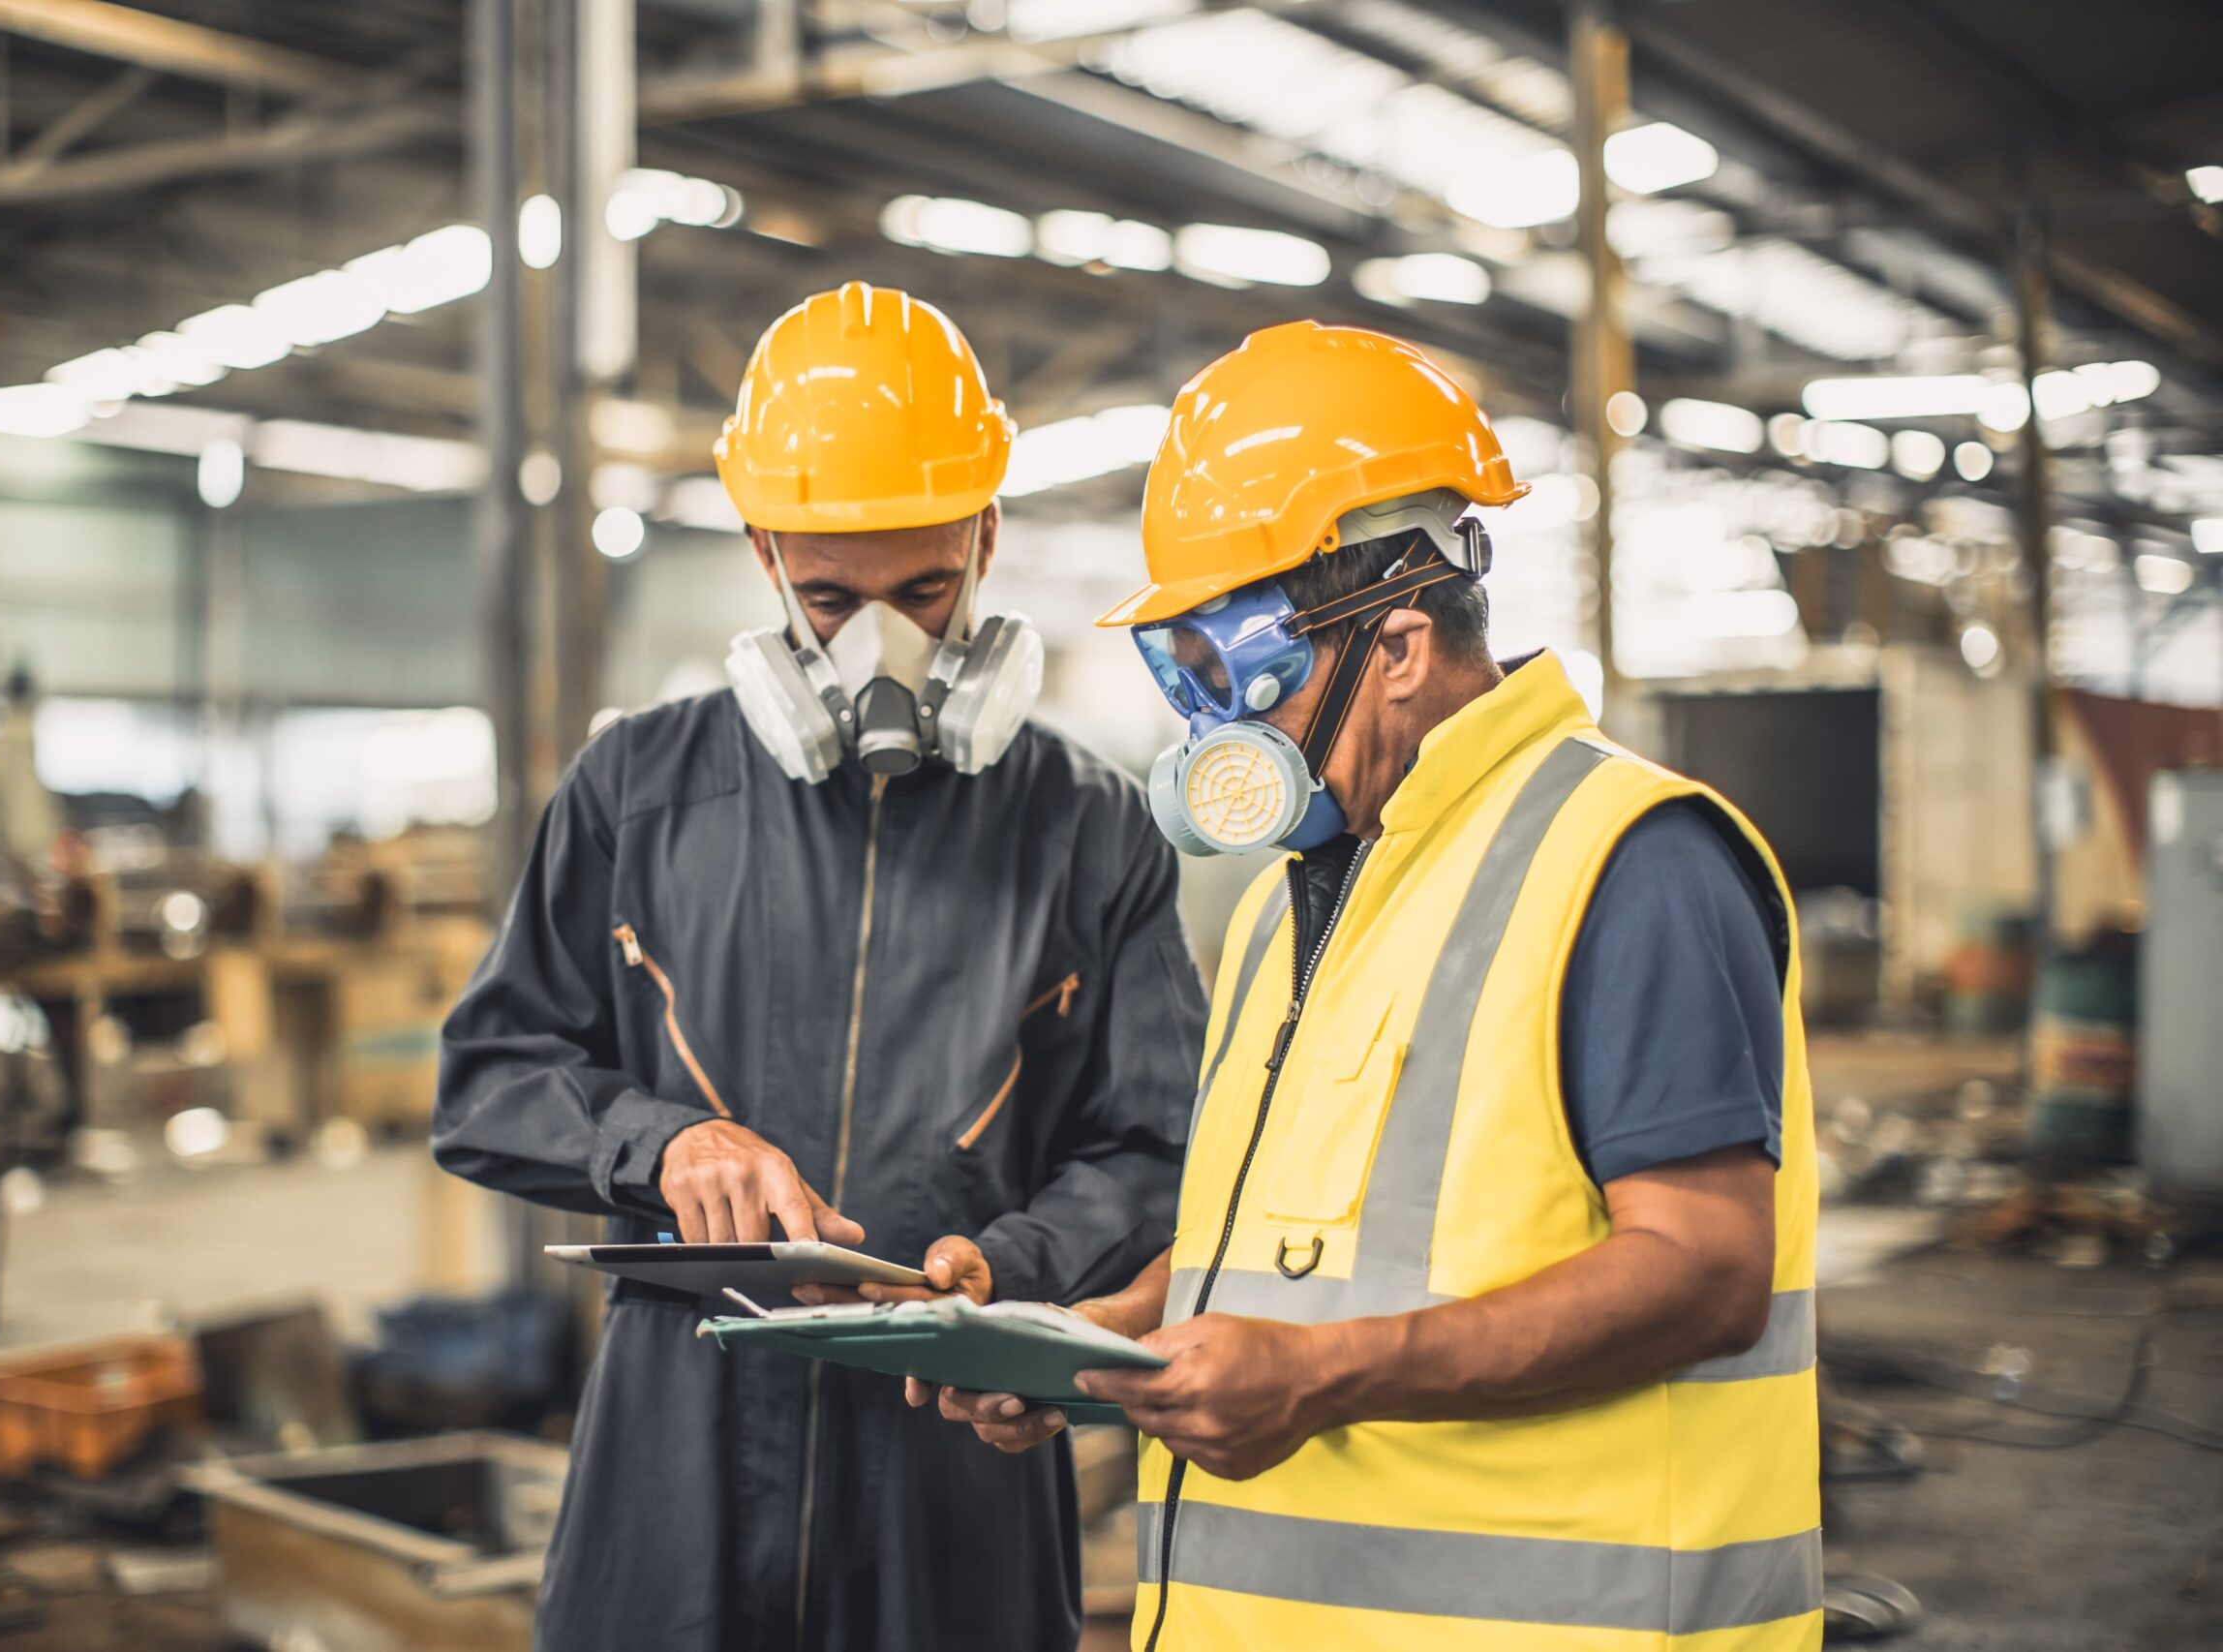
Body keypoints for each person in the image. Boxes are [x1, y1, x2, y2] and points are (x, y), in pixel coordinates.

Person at [922, 321, 1822, 1650]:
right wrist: (1108, 1339)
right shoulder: (1307, 898)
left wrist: (1321, 1376)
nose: (1211, 731)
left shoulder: (1630, 862)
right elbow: (1294, 1248)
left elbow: (1705, 1271)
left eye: (1230, 673)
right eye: (1182, 678)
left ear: (1397, 642)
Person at [433, 281, 1206, 1652]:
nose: (881, 647)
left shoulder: (1092, 830)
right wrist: (662, 1145)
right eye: (830, 595)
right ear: (761, 548)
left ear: (987, 532)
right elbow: (491, 1077)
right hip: (675, 1464)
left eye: (926, 589)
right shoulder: (636, 792)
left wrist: (1015, 1262)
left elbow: (1158, 1147)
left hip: (953, 1458)